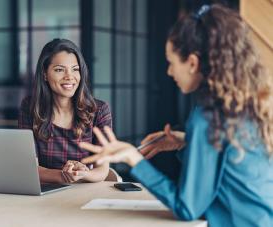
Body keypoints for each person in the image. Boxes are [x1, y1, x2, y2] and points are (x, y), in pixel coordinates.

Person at [80, 4, 273, 227]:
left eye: (171, 63)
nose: (169, 72)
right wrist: (187, 142)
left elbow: (187, 208)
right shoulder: (243, 104)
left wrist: (133, 158)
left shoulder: (208, 117)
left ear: (192, 63)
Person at [18, 38, 112, 184]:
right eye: (59, 70)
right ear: (44, 74)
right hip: (44, 192)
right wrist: (63, 175)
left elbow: (102, 170)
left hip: (83, 190)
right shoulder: (30, 107)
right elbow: (29, 168)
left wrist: (81, 173)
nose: (70, 77)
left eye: (75, 69)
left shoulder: (99, 110)